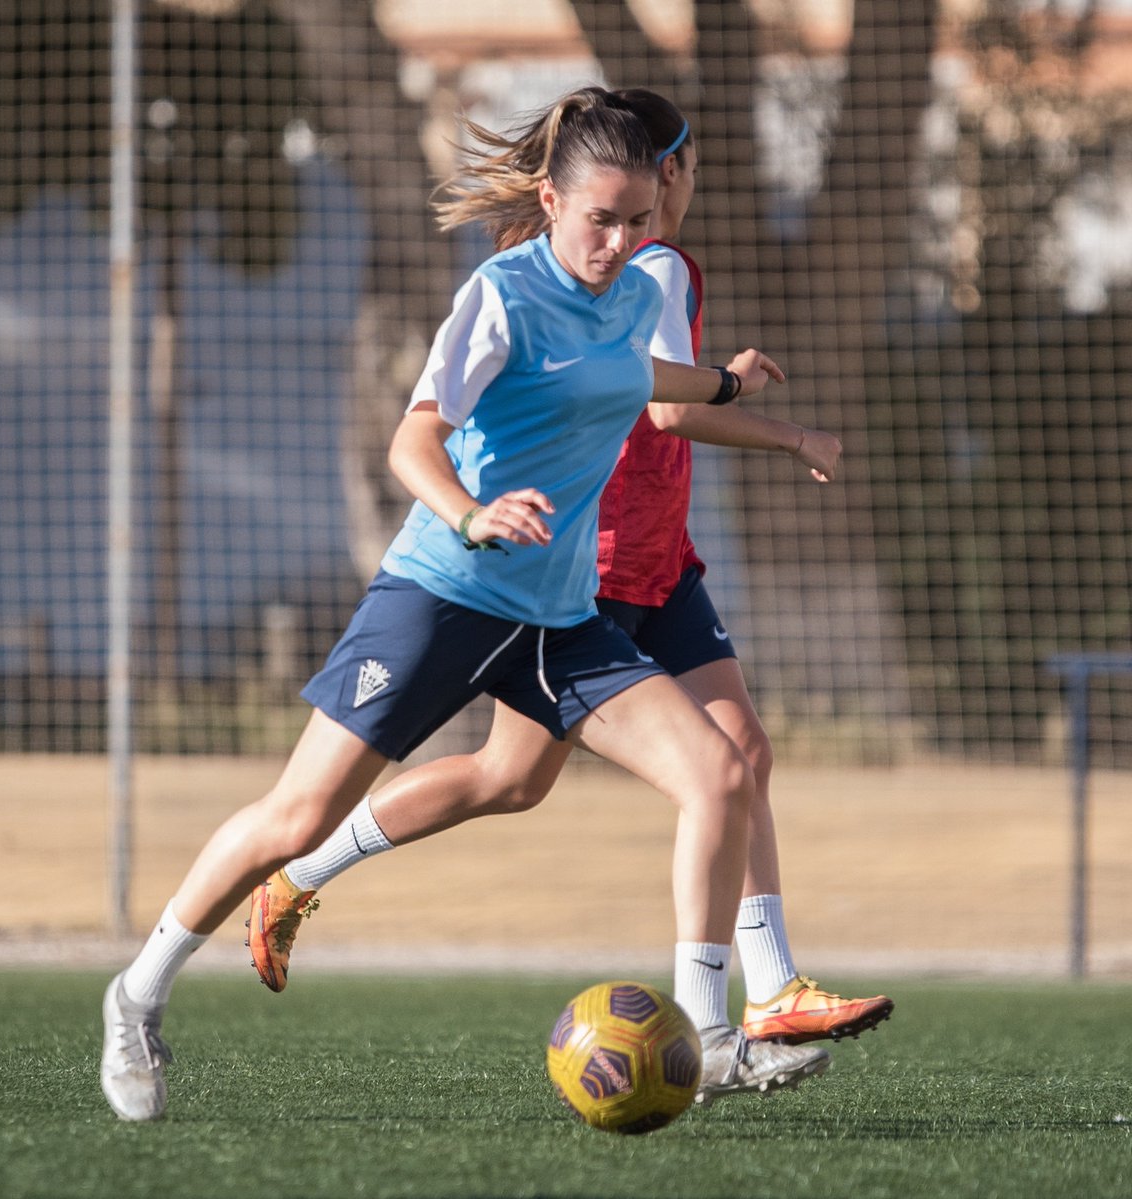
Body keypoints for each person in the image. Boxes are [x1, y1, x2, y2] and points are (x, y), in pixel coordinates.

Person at [100, 86, 831, 1123]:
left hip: (560, 617)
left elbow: (640, 377)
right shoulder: (502, 293)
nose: (620, 241)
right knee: (296, 815)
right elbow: (414, 438)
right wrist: (473, 512)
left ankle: (712, 1038)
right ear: (550, 198)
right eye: (599, 220)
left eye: (634, 220)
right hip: (442, 593)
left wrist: (728, 386)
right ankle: (137, 993)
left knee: (718, 773)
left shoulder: (631, 289)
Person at [248, 89, 893, 1052]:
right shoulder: (657, 263)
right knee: (511, 779)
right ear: (676, 167)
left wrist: (731, 387)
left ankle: (762, 996)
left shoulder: (635, 261)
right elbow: (667, 410)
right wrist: (787, 430)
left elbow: (661, 391)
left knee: (726, 755)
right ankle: (299, 872)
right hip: (600, 567)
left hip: (662, 561)